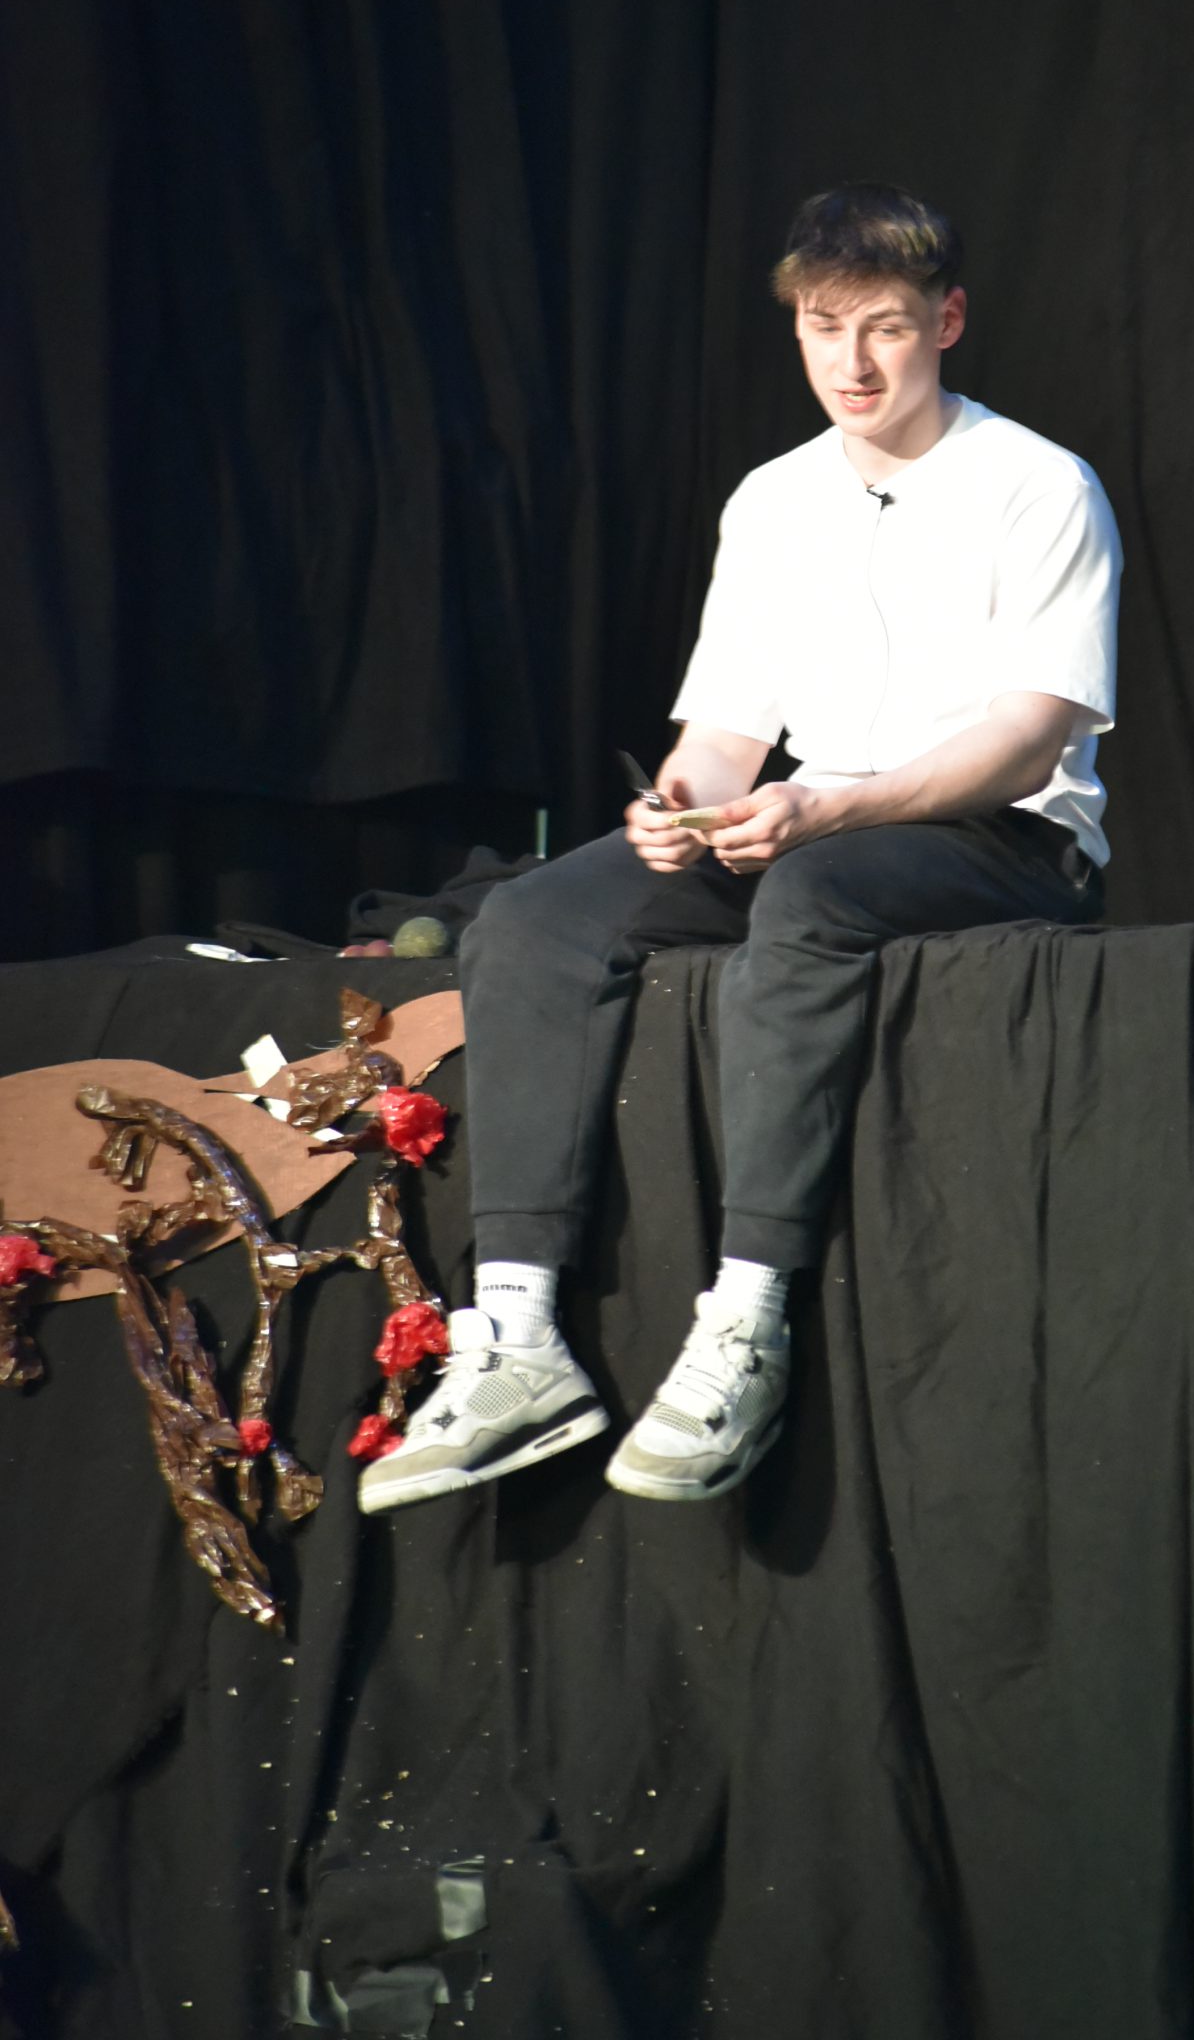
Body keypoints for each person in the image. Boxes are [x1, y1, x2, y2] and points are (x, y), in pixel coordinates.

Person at [359, 183, 1122, 1512]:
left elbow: (1023, 741)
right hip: (813, 823)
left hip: (1000, 840)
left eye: (885, 327)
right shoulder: (774, 500)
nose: (854, 362)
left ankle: (746, 1320)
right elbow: (723, 739)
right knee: (533, 918)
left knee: (813, 889)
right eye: (825, 328)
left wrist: (828, 809)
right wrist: (677, 808)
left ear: (946, 321)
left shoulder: (1038, 483)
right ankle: (519, 1337)